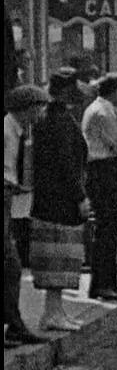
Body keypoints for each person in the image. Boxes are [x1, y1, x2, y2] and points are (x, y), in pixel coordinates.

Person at [30, 70, 90, 331]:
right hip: (60, 201)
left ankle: (55, 310)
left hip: (48, 199)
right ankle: (53, 313)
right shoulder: (60, 120)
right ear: (66, 90)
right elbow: (67, 164)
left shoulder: (47, 117)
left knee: (56, 258)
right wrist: (80, 196)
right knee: (59, 257)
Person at [4, 84, 50, 346]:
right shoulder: (6, 131)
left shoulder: (17, 131)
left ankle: (14, 323)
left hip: (8, 198)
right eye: (37, 109)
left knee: (11, 265)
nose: (40, 114)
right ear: (26, 109)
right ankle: (14, 324)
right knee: (10, 263)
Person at [82, 73, 117, 302]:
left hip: (101, 170)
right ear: (115, 91)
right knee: (107, 229)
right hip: (103, 171)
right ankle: (104, 284)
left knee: (106, 228)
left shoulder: (99, 109)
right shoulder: (103, 113)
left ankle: (105, 283)